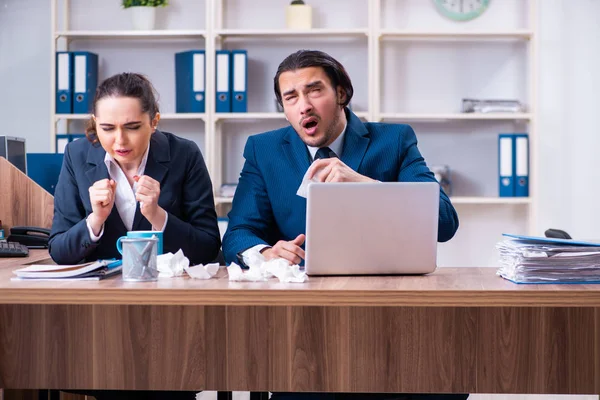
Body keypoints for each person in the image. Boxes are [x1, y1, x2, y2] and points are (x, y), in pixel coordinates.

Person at [222, 50, 465, 400]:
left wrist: (365, 184)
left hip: (391, 314)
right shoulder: (264, 150)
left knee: (445, 382)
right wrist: (266, 250)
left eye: (314, 91)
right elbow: (237, 234)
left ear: (341, 93)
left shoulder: (394, 141)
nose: (303, 105)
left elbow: (445, 222)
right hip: (306, 326)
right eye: (291, 97)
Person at [49, 72, 220, 268]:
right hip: (101, 291)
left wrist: (157, 215)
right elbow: (59, 251)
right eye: (107, 128)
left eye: (132, 127)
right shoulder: (76, 154)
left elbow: (208, 247)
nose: (120, 140)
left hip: (168, 288)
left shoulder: (185, 154)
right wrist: (96, 220)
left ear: (154, 122)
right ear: (96, 123)